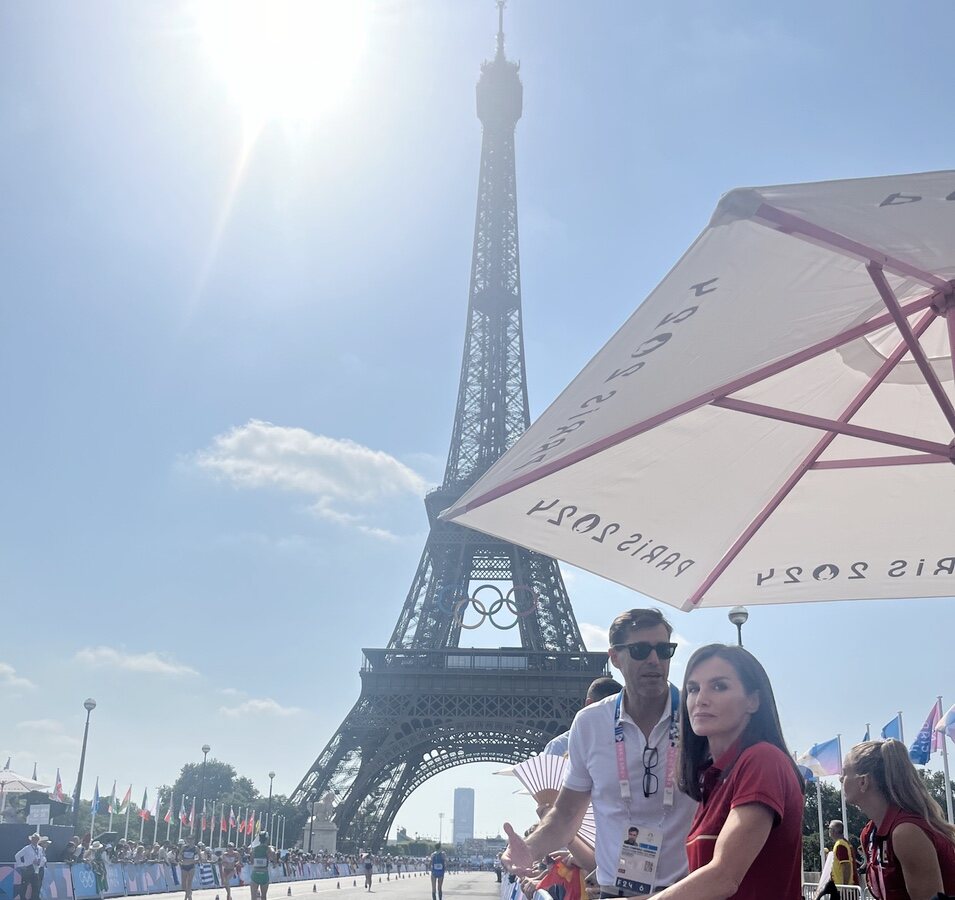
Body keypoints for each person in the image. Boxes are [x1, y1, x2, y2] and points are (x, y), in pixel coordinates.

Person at [502, 607, 698, 896]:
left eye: (664, 649)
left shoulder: (696, 717)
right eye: (641, 650)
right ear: (615, 657)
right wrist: (528, 849)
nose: (654, 659)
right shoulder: (590, 723)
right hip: (613, 892)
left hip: (685, 893)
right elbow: (567, 815)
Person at [649, 644, 804, 900]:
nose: (701, 699)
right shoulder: (713, 779)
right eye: (693, 689)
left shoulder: (762, 759)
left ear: (753, 701)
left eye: (719, 686)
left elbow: (723, 877)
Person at [843, 738, 955, 900]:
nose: (841, 779)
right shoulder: (870, 833)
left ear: (863, 781)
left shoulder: (906, 833)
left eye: (845, 773)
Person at [543, 676, 623, 757]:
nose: (618, 716)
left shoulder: (559, 746)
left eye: (621, 711)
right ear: (590, 705)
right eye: (610, 710)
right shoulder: (559, 747)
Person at [827, 820, 858, 886]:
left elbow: (846, 866)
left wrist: (845, 887)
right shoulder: (843, 843)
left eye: (829, 828)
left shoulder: (840, 845)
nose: (828, 831)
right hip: (840, 886)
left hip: (843, 888)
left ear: (834, 830)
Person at [14, 832, 43, 900]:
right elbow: (17, 855)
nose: (35, 840)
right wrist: (21, 865)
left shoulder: (40, 848)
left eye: (37, 839)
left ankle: (34, 898)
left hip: (36, 869)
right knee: (24, 886)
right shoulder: (27, 848)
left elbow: (42, 857)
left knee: (36, 886)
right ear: (31, 840)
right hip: (28, 868)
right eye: (34, 839)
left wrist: (40, 862)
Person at [250, 832, 277, 900]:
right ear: (267, 839)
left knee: (253, 897)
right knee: (263, 896)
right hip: (264, 873)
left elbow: (251, 860)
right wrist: (274, 863)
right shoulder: (268, 848)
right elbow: (273, 854)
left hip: (255, 873)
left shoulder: (255, 848)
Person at [179, 836, 199, 900]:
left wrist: (195, 861)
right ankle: (188, 893)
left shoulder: (196, 848)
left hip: (191, 866)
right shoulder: (184, 847)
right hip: (184, 866)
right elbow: (179, 855)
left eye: (191, 839)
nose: (190, 841)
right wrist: (181, 860)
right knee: (183, 886)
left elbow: (199, 857)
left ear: (193, 840)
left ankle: (189, 897)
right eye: (189, 839)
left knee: (189, 883)